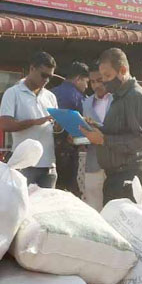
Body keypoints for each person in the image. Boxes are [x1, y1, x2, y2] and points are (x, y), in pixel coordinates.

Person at [79, 48, 142, 207]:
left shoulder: (136, 97)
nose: (104, 81)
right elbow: (120, 130)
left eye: (107, 76)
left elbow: (141, 141)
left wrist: (103, 139)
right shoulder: (119, 97)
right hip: (115, 178)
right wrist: (96, 127)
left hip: (130, 179)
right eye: (101, 76)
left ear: (123, 71)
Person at [0, 51, 58, 187]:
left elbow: (54, 128)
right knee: (21, 205)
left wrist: (59, 125)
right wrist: (35, 122)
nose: (46, 80)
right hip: (24, 164)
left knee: (47, 207)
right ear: (32, 69)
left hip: (49, 164)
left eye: (50, 77)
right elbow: (5, 125)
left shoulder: (50, 96)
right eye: (44, 75)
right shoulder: (13, 93)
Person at [52, 61, 89, 197]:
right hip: (68, 151)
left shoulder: (51, 93)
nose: (86, 86)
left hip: (49, 150)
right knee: (68, 193)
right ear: (78, 79)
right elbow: (83, 128)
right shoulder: (79, 98)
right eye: (86, 82)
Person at [80, 63, 112, 211]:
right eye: (92, 82)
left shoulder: (118, 99)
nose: (96, 85)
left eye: (100, 80)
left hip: (115, 161)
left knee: (113, 206)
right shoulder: (86, 103)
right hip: (93, 161)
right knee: (93, 206)